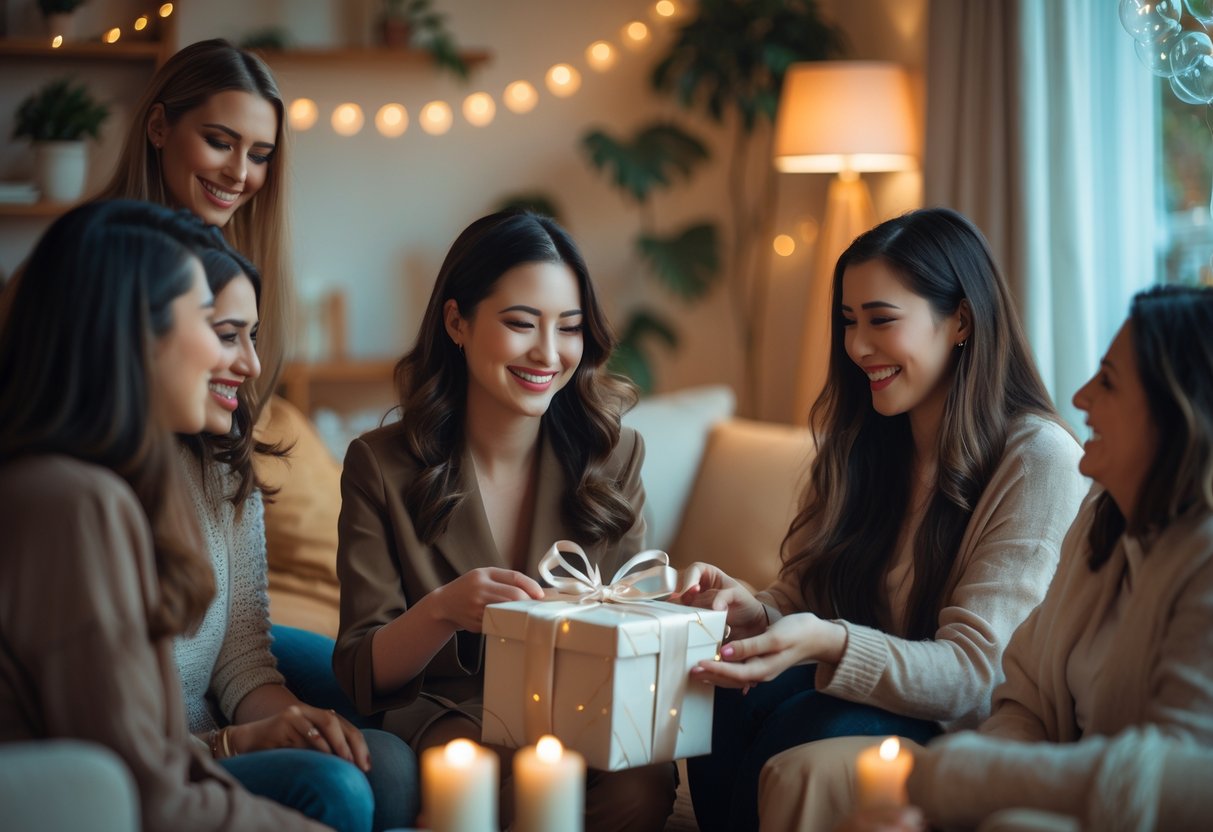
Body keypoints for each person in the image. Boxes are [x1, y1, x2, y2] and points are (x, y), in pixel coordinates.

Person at [676, 208, 1088, 832]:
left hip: (965, 727)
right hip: (876, 702)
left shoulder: (1038, 460)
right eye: (848, 321)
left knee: (805, 724)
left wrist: (830, 642)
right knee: (723, 693)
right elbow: (806, 592)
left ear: (961, 321)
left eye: (881, 320)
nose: (857, 346)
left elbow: (977, 676)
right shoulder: (866, 442)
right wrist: (757, 614)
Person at [332, 209, 677, 831]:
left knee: (645, 780)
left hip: (582, 709)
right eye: (521, 324)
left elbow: (634, 611)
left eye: (569, 328)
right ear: (457, 322)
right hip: (450, 716)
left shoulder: (613, 454)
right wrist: (441, 609)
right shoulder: (379, 466)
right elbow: (362, 669)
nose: (548, 353)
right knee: (476, 773)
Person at [0, 199, 323, 831]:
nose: (243, 363)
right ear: (131, 334)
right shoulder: (73, 504)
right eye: (211, 323)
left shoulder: (66, 485)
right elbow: (152, 793)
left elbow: (158, 759)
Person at [898, 285, 1213, 830]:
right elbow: (1023, 700)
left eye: (1109, 381)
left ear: (1177, 412)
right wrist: (978, 794)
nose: (1083, 396)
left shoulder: (1202, 560)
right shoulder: (1100, 516)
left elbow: (1181, 781)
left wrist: (964, 780)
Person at [174, 244, 419, 832]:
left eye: (253, 336)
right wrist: (237, 742)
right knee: (337, 788)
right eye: (229, 335)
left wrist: (300, 726)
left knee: (391, 768)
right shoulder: (82, 500)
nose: (255, 365)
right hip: (159, 756)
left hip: (213, 728)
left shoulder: (221, 463)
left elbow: (242, 656)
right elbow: (107, 739)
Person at [97, 37, 291, 408]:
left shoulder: (232, 272)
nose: (238, 173)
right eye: (219, 142)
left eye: (259, 156)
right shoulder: (88, 260)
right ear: (158, 127)